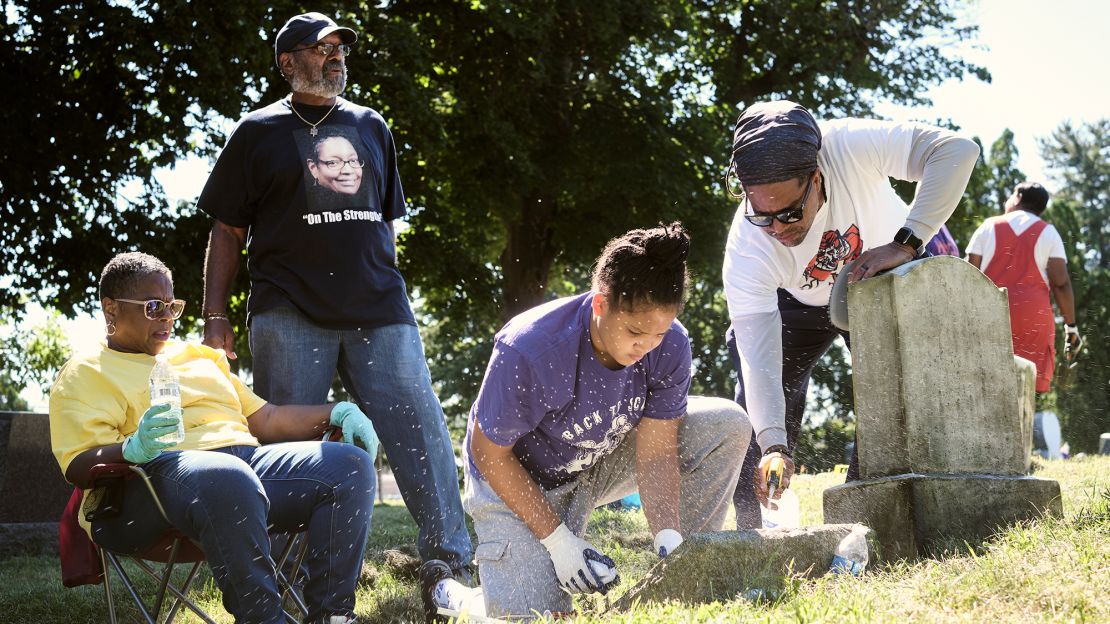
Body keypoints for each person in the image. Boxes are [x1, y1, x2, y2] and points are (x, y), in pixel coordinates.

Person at [196, 11, 473, 575]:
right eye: (321, 49)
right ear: (288, 62)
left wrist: (381, 281)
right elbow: (226, 230)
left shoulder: (371, 125)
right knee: (288, 451)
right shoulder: (257, 132)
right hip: (289, 311)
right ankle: (285, 580)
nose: (335, 56)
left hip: (380, 311)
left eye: (339, 48)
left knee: (420, 430)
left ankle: (452, 563)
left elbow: (384, 223)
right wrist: (214, 315)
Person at [419, 223, 751, 621]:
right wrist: (559, 543)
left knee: (727, 423)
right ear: (600, 304)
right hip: (519, 477)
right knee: (538, 619)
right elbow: (487, 453)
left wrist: (667, 537)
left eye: (658, 334)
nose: (645, 346)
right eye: (633, 331)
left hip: (600, 458)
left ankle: (686, 574)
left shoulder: (671, 344)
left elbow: (657, 453)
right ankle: (452, 595)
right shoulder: (528, 348)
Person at [49, 252, 377, 624]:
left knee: (350, 467)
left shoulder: (197, 356)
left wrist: (337, 411)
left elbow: (265, 418)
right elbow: (77, 464)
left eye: (172, 306)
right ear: (110, 309)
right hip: (147, 486)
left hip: (242, 468)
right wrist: (132, 447)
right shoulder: (85, 372)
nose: (168, 318)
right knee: (226, 475)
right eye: (154, 307)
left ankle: (332, 615)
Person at [722, 100, 979, 529]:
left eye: (788, 213)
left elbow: (957, 150)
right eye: (762, 216)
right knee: (756, 405)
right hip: (799, 300)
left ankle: (871, 521)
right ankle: (754, 530)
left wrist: (908, 241)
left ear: (817, 177)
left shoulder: (849, 146)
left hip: (884, 276)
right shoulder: (748, 251)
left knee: (891, 394)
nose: (778, 230)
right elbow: (759, 363)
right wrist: (773, 444)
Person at [967, 181, 1082, 393]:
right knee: (1024, 389)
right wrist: (1071, 326)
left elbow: (968, 274)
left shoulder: (988, 226)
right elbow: (1061, 283)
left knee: (983, 386)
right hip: (1033, 321)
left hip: (990, 315)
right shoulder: (1049, 233)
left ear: (1018, 198)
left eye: (1010, 195)